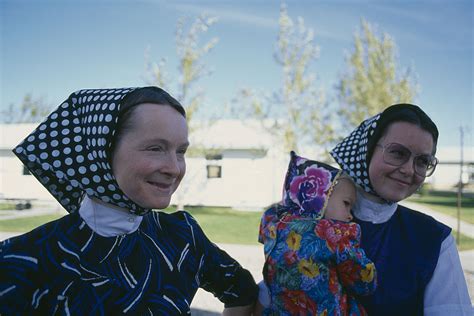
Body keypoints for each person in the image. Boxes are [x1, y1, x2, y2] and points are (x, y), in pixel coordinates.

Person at [0, 86, 258, 314]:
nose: (174, 168)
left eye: (180, 151)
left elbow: (242, 291)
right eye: (155, 148)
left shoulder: (183, 236)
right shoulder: (23, 259)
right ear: (101, 151)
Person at [330, 103, 472, 315]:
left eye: (423, 161)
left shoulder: (434, 240)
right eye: (397, 153)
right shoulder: (312, 218)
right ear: (366, 149)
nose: (408, 170)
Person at [258, 151, 376, 315]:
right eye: (346, 203)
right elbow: (363, 281)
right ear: (320, 197)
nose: (350, 215)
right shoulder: (334, 234)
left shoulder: (275, 223)